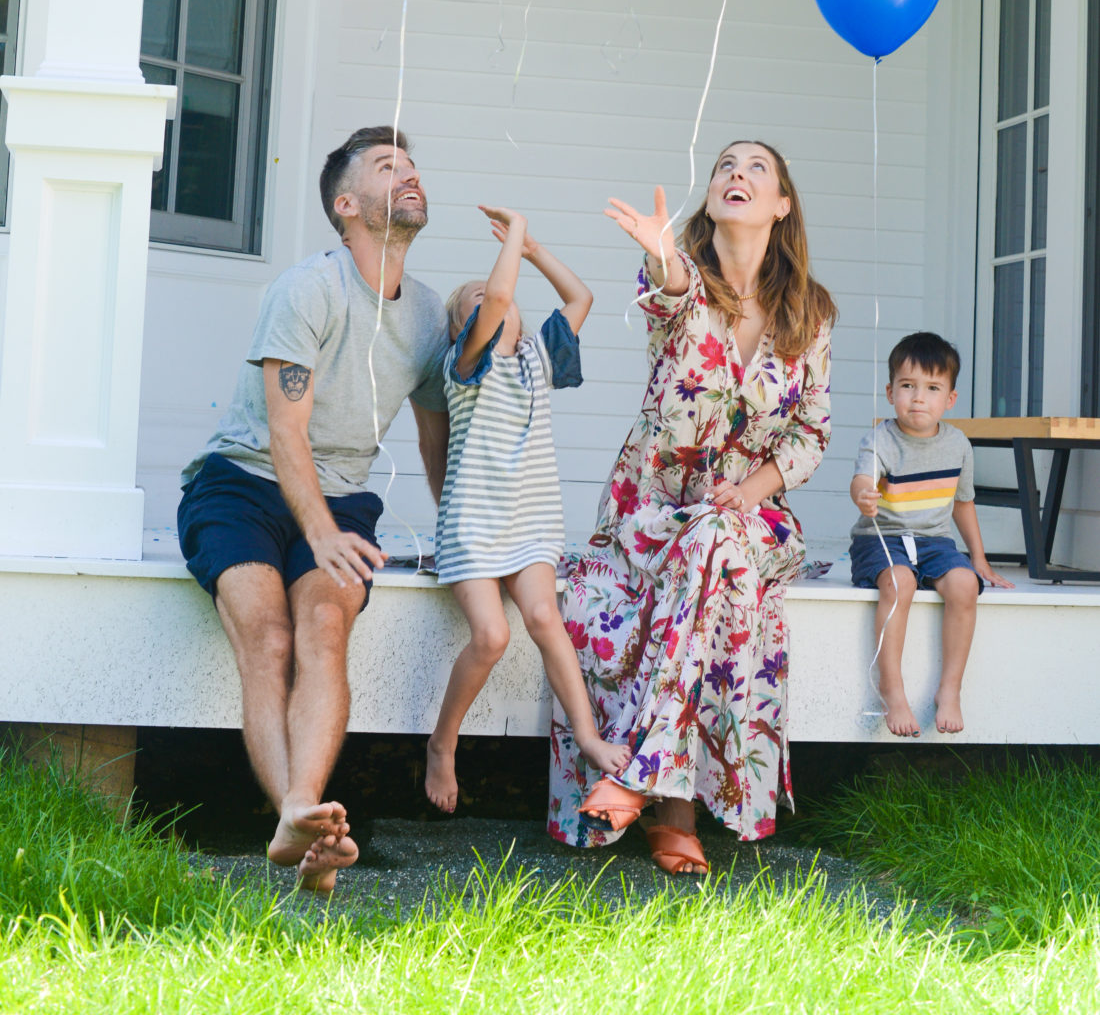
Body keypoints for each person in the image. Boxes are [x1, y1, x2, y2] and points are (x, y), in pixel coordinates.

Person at [548, 142, 835, 875]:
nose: (736, 174)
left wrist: (748, 491)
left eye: (757, 169)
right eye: (724, 167)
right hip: (653, 511)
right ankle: (671, 812)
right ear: (710, 199)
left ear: (782, 204)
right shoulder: (682, 284)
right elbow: (669, 292)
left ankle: (639, 779)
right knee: (711, 547)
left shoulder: (812, 312)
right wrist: (663, 253)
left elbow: (811, 433)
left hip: (756, 513)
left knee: (719, 539)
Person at [176, 126, 449, 894]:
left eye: (413, 163)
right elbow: (283, 429)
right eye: (387, 167)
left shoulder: (428, 317)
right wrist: (320, 534)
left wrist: (458, 536)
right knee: (266, 636)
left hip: (343, 496)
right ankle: (297, 811)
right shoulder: (310, 288)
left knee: (324, 629)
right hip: (241, 482)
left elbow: (435, 443)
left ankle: (298, 825)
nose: (410, 174)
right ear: (347, 204)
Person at [425, 206, 631, 813]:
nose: (494, 299)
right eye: (477, 302)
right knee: (490, 637)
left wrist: (534, 246)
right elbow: (496, 294)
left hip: (532, 523)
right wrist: (513, 231)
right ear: (467, 328)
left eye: (495, 294)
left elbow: (581, 296)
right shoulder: (464, 369)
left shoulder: (538, 359)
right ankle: (443, 742)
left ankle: (588, 734)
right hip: (472, 525)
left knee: (545, 618)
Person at [849, 331, 1013, 737]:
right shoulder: (881, 438)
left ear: (950, 399)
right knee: (900, 582)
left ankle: (949, 689)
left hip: (935, 542)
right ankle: (893, 688)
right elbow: (860, 480)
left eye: (932, 388)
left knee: (963, 586)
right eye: (908, 386)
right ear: (890, 392)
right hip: (881, 537)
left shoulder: (957, 444)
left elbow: (962, 503)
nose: (918, 398)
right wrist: (864, 496)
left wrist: (978, 558)